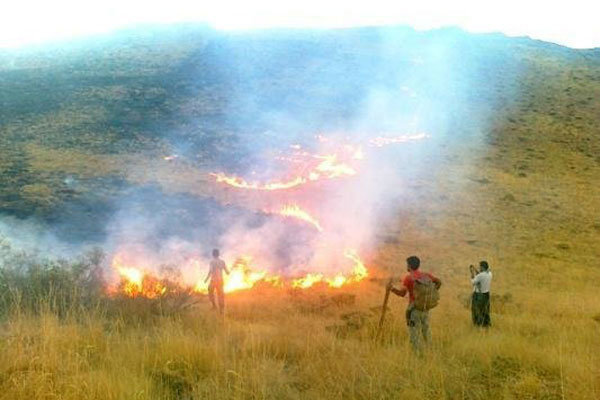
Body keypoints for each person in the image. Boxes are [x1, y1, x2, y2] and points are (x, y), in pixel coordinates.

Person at [388, 256, 442, 353]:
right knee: (426, 330)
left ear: (409, 266)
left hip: (414, 310)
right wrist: (431, 293)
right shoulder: (426, 275)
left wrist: (391, 289)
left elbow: (402, 293)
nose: (406, 266)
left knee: (414, 333)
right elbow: (439, 282)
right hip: (425, 308)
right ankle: (431, 351)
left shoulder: (409, 278)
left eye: (407, 264)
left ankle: (418, 355)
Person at [204, 248, 229, 315]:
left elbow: (211, 271)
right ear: (218, 254)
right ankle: (221, 311)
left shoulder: (212, 262)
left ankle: (214, 305)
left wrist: (206, 279)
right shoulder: (222, 262)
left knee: (210, 291)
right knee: (221, 295)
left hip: (213, 280)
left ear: (213, 254)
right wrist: (228, 272)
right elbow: (227, 272)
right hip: (220, 280)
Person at [470, 261, 492, 327]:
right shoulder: (490, 274)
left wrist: (472, 273)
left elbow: (473, 282)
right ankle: (486, 324)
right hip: (486, 294)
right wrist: (477, 271)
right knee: (485, 310)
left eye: (480, 266)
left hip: (478, 295)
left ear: (482, 267)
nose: (479, 268)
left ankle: (478, 325)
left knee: (476, 310)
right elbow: (482, 275)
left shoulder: (480, 276)